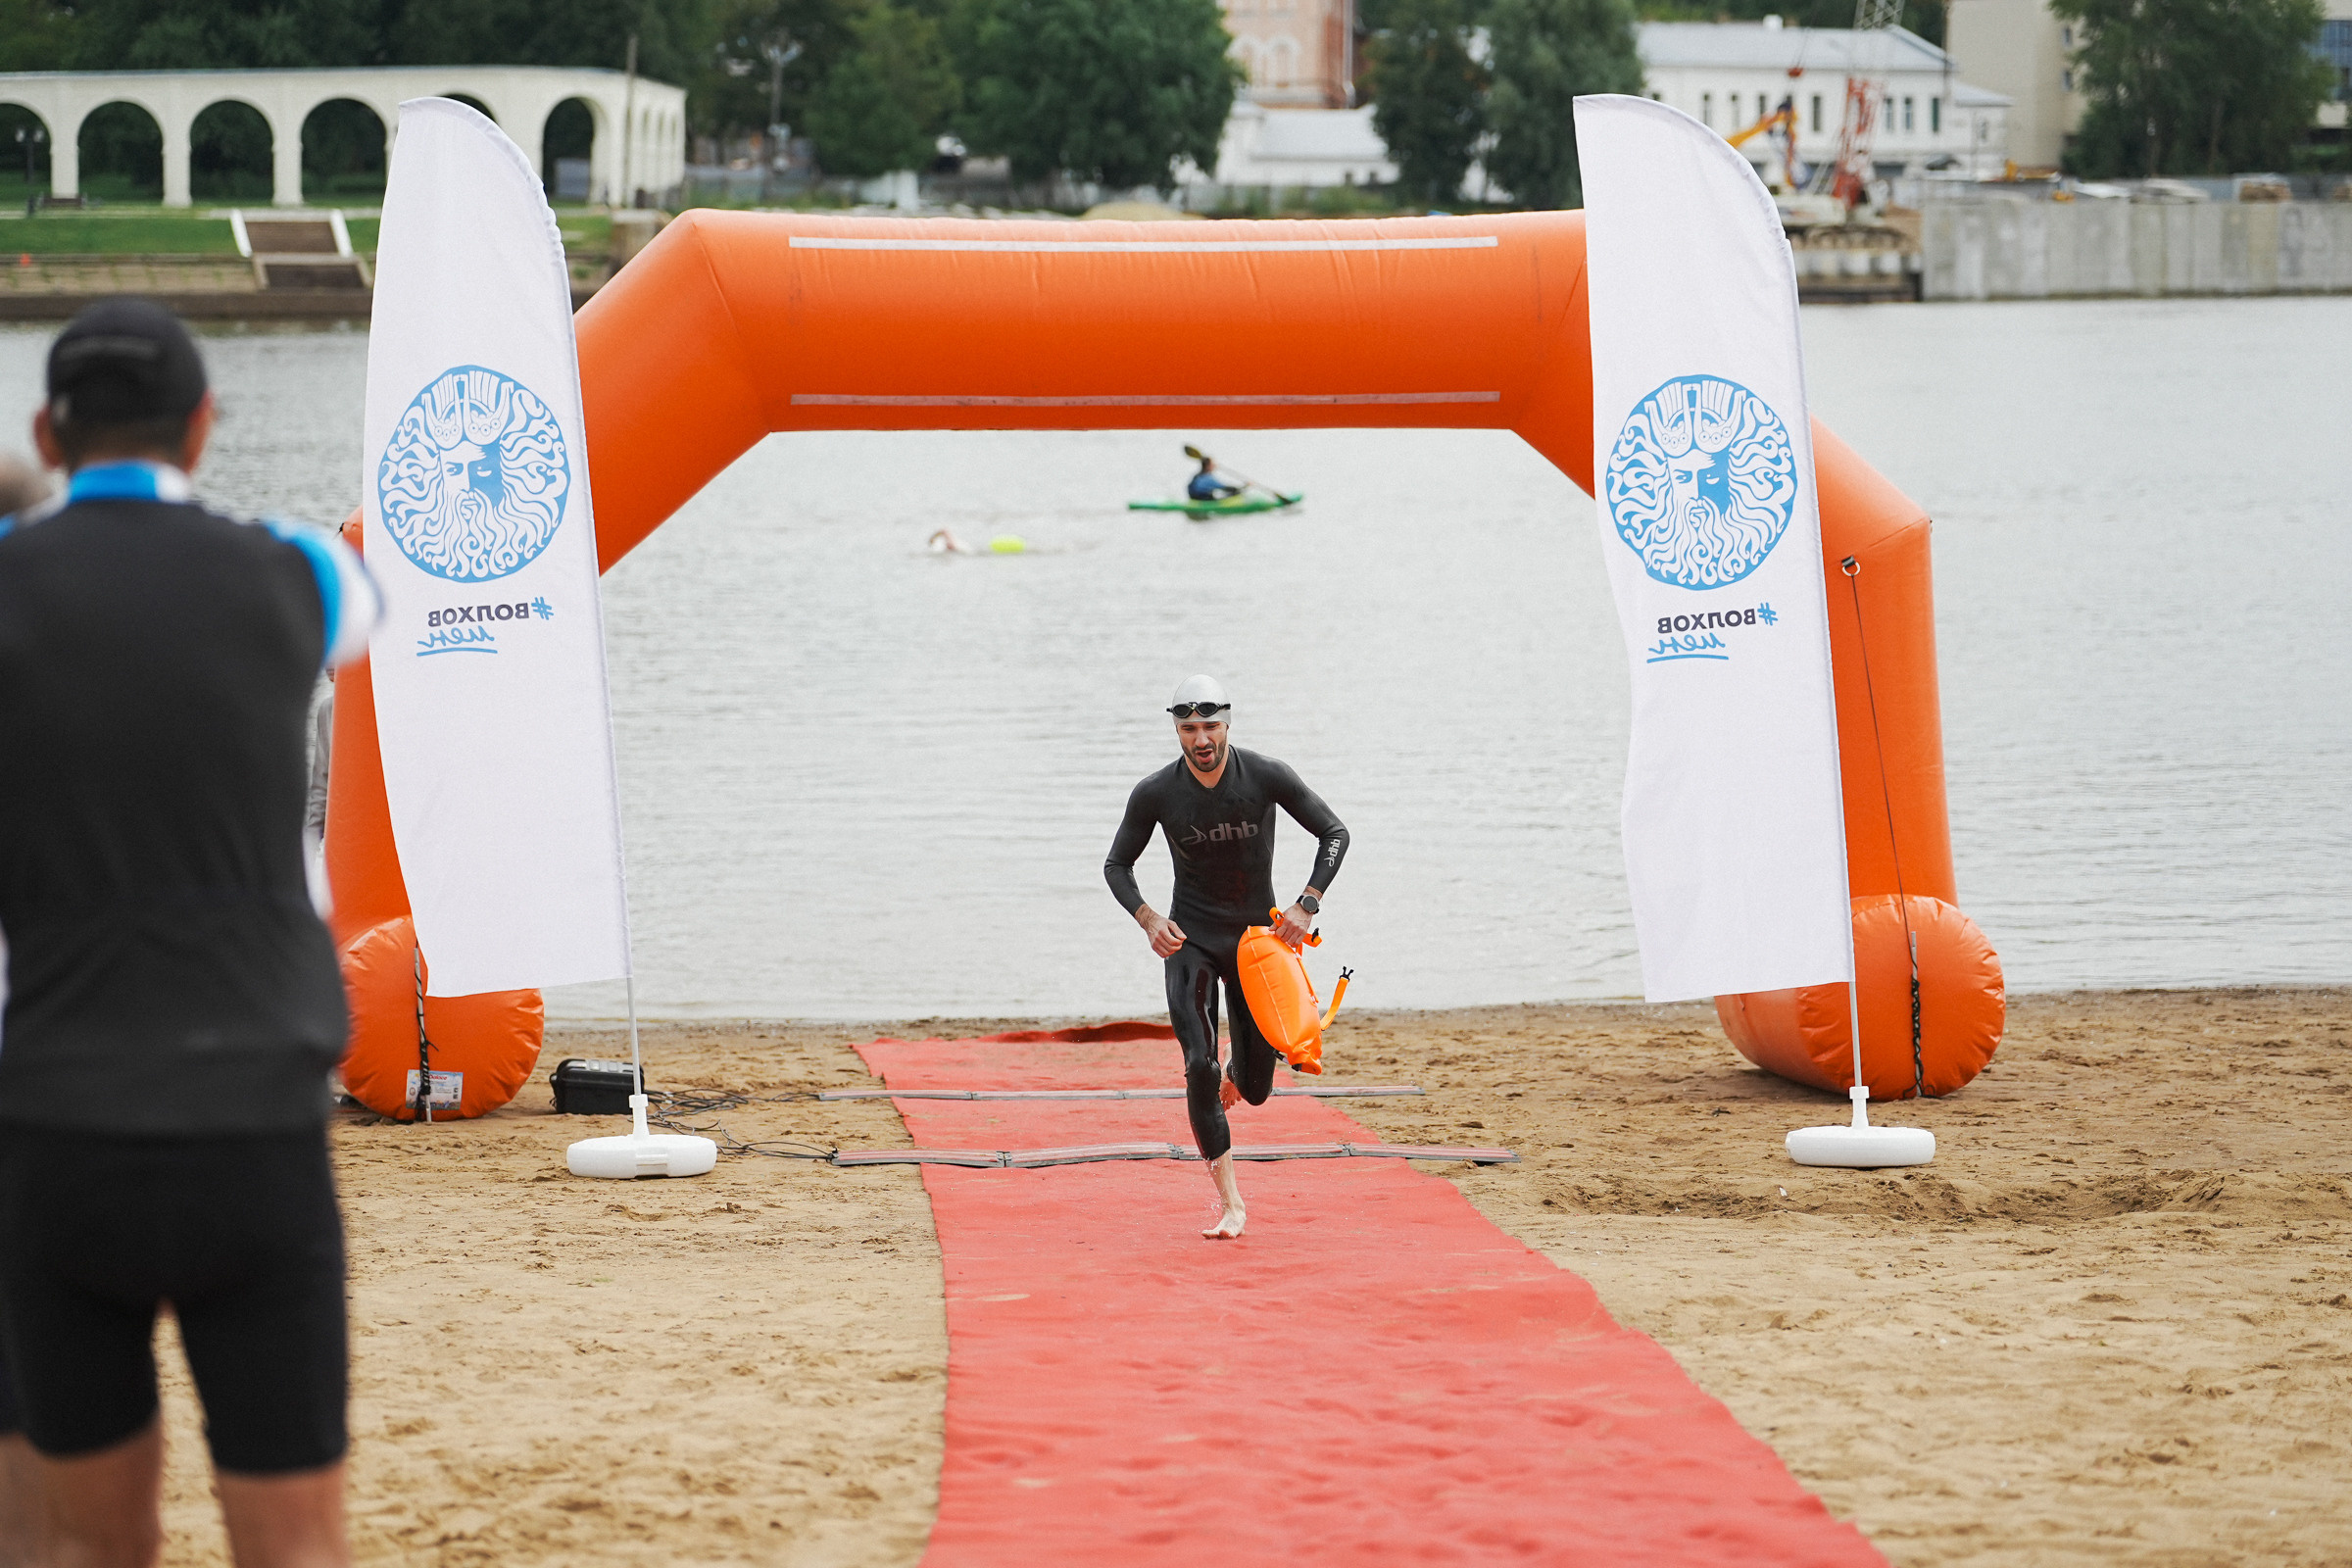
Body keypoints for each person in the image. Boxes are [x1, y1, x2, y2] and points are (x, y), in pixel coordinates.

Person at [0, 297, 378, 1568]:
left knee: (92, 1549)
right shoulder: (300, 573)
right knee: (296, 1547)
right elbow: (368, 600)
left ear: (49, 435)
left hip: (63, 1124)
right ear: (205, 426)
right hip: (253, 1122)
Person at [1104, 676, 1349, 1240]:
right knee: (1198, 1064)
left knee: (1258, 1089)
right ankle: (1231, 1204)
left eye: (1210, 727)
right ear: (1176, 729)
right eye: (1189, 728)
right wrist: (1148, 919)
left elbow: (1334, 833)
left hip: (1256, 946)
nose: (1201, 740)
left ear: (1228, 723)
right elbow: (1117, 865)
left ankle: (1240, 1070)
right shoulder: (1155, 792)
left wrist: (1307, 903)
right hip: (1189, 941)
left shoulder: (1265, 775)